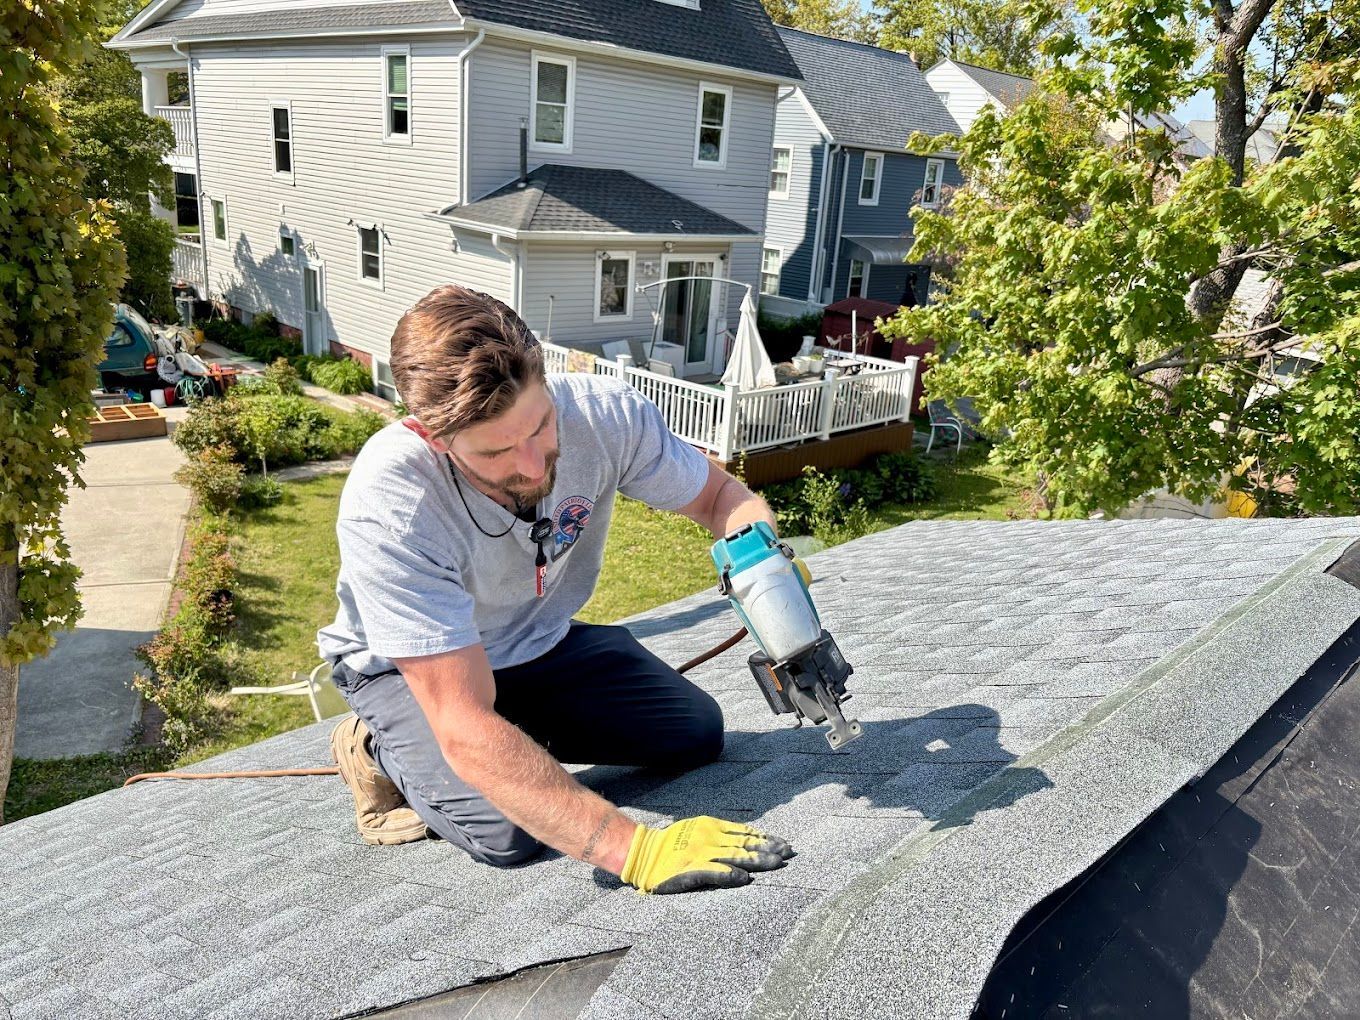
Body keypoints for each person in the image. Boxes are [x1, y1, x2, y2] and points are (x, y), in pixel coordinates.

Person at [317, 285, 794, 895]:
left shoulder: (604, 415)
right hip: (405, 670)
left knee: (694, 734)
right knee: (508, 832)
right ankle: (374, 744)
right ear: (435, 438)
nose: (535, 464)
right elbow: (461, 719)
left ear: (546, 377)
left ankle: (512, 733)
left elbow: (725, 499)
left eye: (540, 425)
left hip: (535, 639)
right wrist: (635, 851)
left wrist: (764, 567)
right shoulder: (392, 505)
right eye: (496, 451)